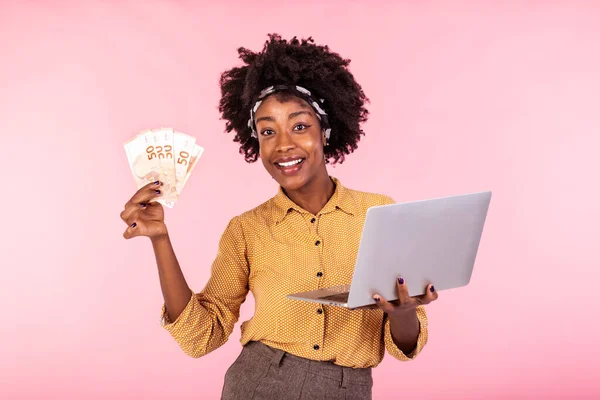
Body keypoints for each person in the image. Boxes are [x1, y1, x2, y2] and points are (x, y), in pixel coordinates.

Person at [120, 34, 438, 400]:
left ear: (326, 131)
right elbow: (201, 335)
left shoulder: (378, 213)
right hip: (260, 383)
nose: (283, 143)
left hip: (349, 388)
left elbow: (406, 342)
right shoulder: (247, 230)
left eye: (299, 126)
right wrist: (160, 239)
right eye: (268, 131)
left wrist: (401, 313)